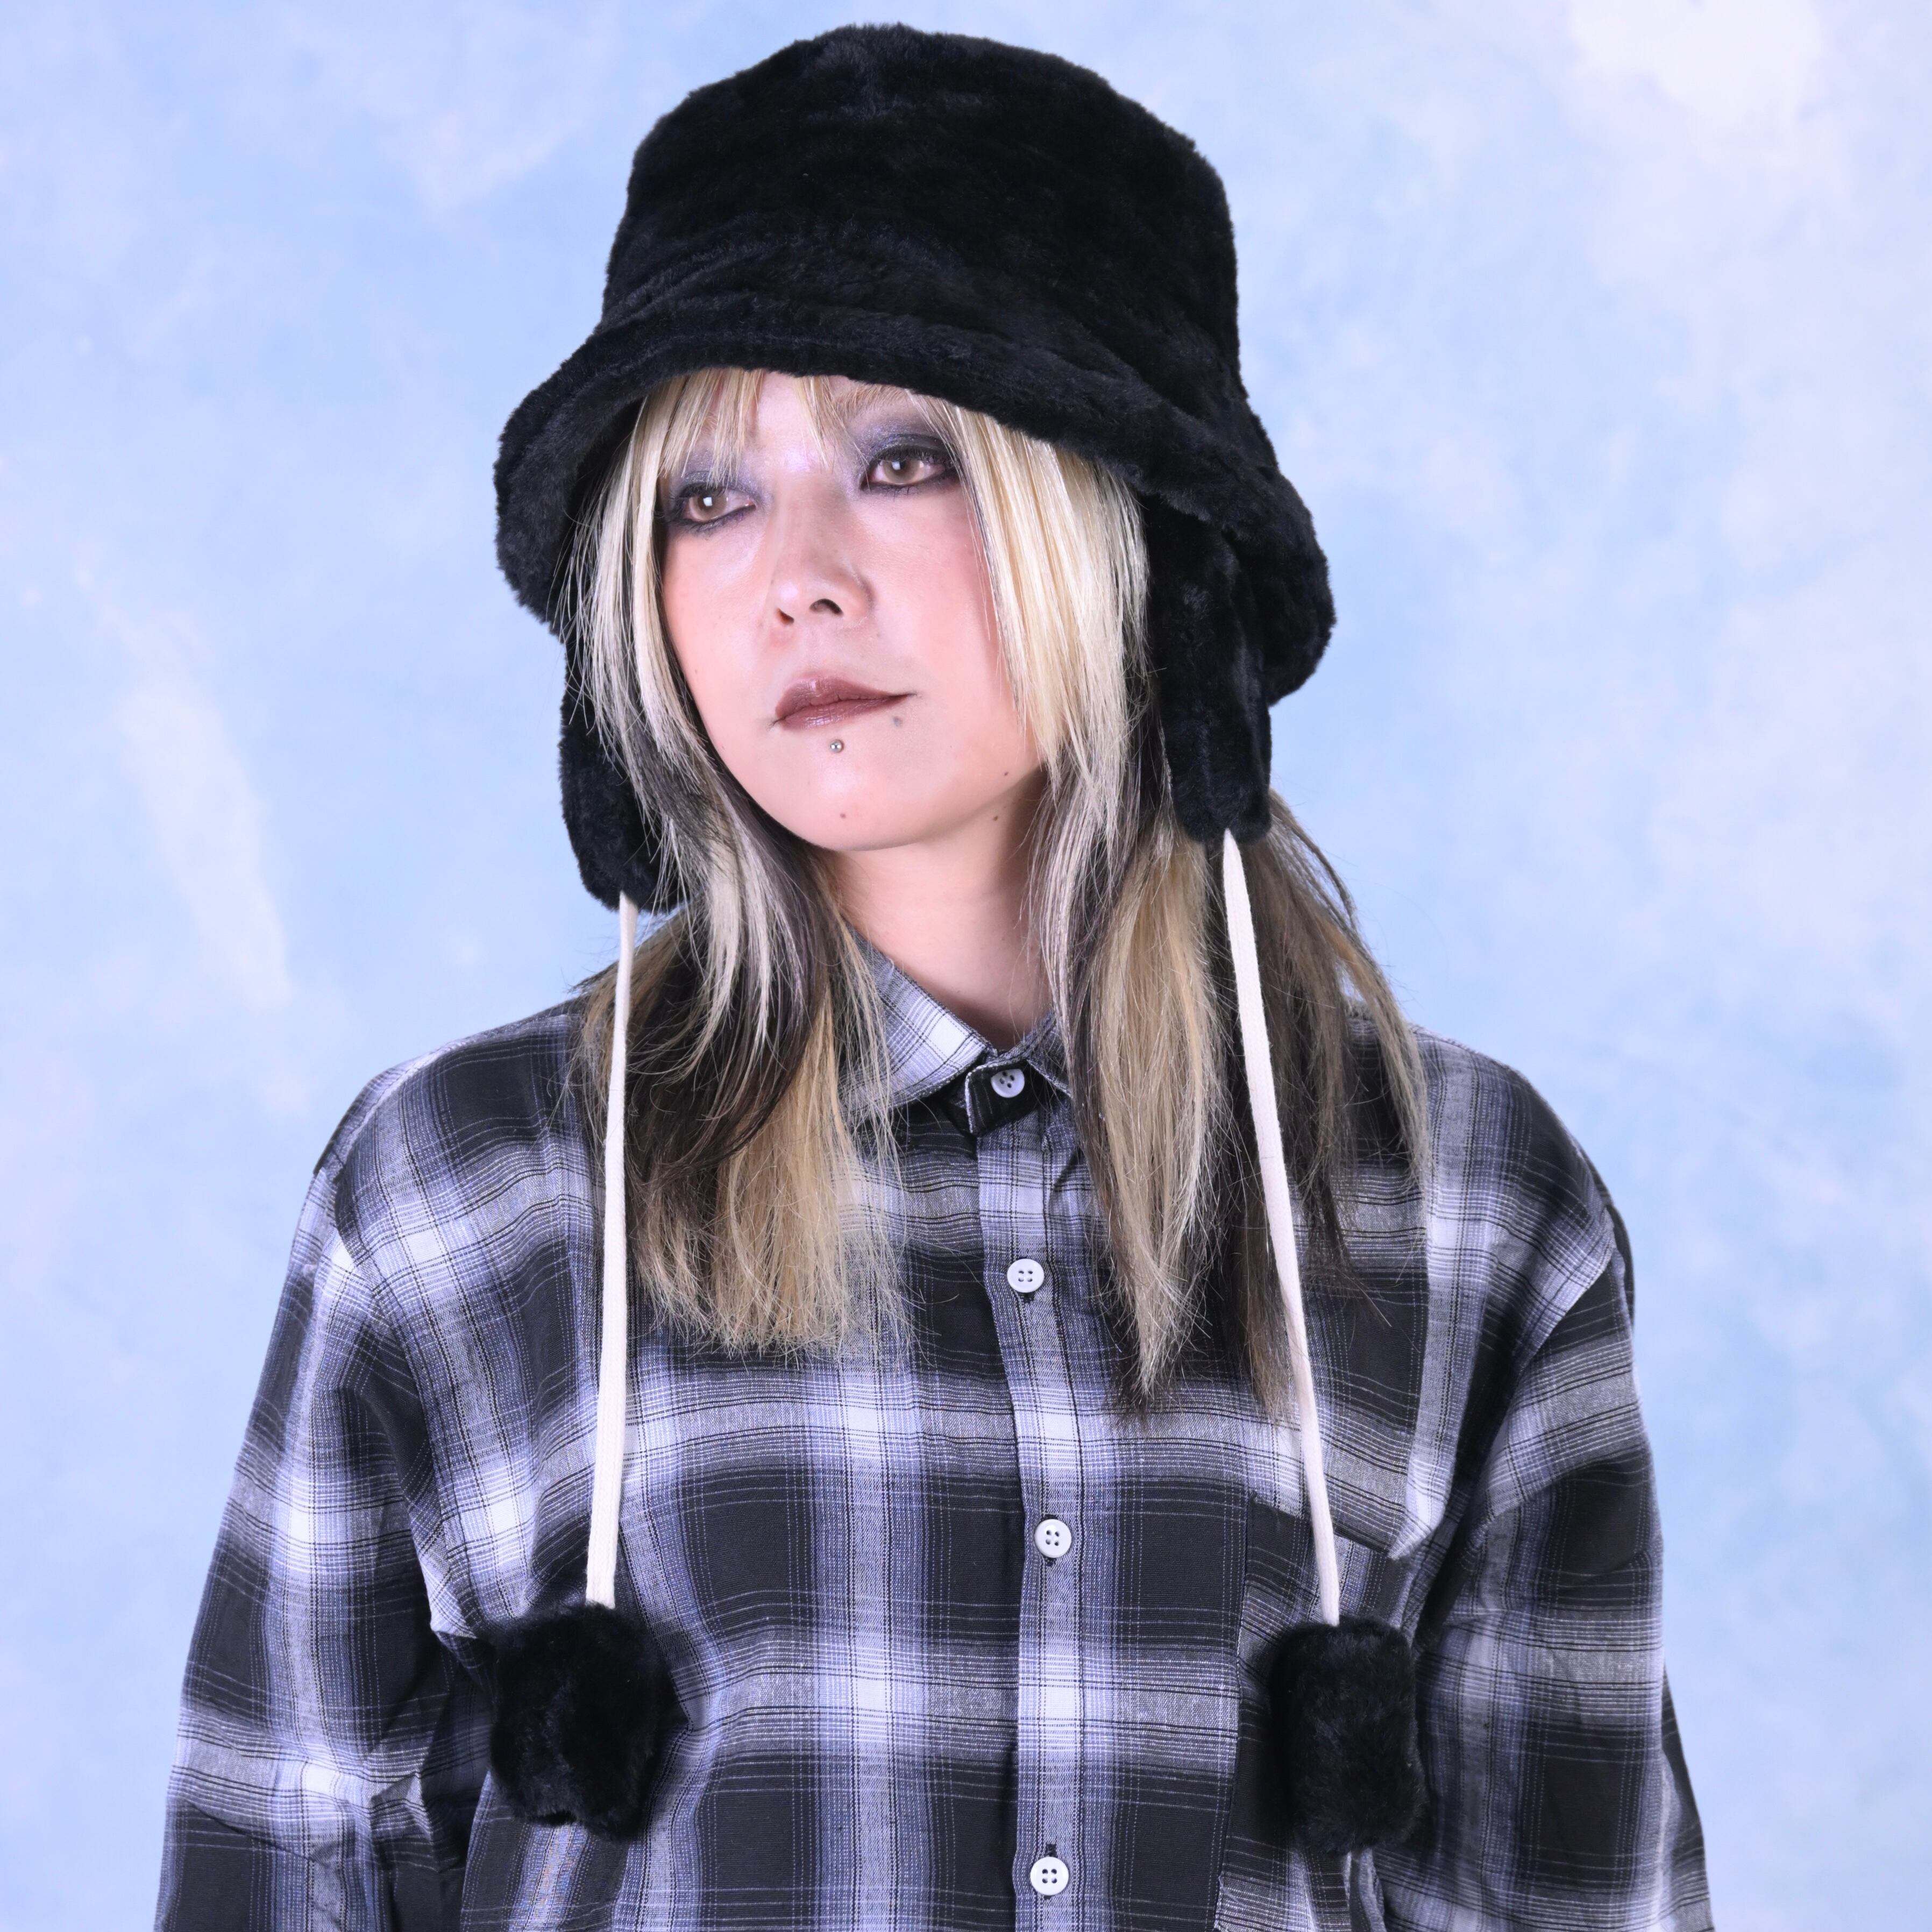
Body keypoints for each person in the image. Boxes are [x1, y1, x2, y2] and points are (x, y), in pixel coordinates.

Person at [155, 25, 1711, 1932]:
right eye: (705, 499)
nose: (794, 577)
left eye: (904, 461)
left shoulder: (1467, 1206)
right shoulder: (457, 1198)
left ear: (1137, 552)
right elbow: (280, 1875)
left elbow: (1580, 1897)